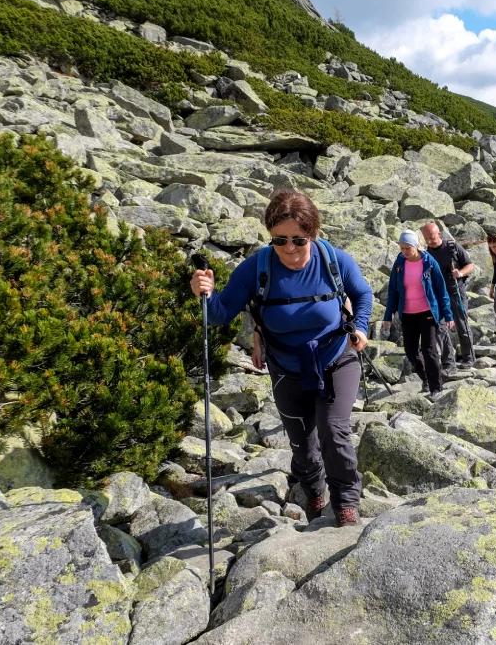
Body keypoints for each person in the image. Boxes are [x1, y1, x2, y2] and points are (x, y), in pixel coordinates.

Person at [189, 191, 372, 528]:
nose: (289, 248)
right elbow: (219, 314)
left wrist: (360, 327)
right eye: (280, 240)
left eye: (299, 240)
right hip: (286, 364)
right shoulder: (257, 268)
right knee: (302, 443)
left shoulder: (334, 260)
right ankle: (313, 489)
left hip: (336, 357)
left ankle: (346, 502)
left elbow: (362, 293)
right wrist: (205, 293)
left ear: (313, 234)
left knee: (335, 431)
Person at [383, 230, 454, 399]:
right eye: (402, 248)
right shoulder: (399, 263)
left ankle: (436, 387)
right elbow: (393, 290)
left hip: (427, 313)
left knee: (429, 350)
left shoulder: (430, 262)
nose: (404, 252)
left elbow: (441, 291)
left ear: (416, 246)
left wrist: (448, 315)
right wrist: (388, 316)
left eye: (408, 248)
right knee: (410, 351)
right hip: (407, 313)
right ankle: (426, 379)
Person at [421, 222, 476, 370]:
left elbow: (470, 265)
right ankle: (449, 362)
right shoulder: (426, 254)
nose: (429, 241)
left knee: (461, 325)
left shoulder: (452, 247)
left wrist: (461, 273)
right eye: (426, 238)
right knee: (440, 327)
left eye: (431, 237)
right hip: (438, 295)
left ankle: (469, 358)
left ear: (439, 234)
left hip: (456, 291)